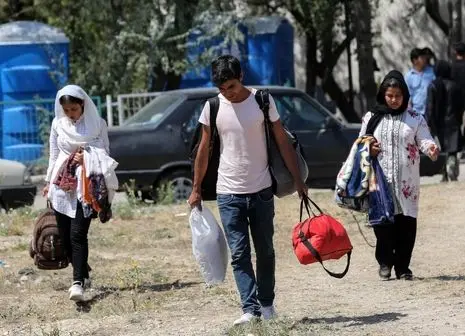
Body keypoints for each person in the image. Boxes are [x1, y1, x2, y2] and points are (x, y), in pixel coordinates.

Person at [188, 55, 307, 325]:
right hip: (228, 192)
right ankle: (249, 309)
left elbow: (281, 140)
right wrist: (196, 188)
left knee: (265, 250)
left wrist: (298, 181)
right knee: (240, 253)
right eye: (221, 88)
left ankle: (266, 305)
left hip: (262, 190)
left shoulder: (262, 101)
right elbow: (204, 150)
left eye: (230, 86)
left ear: (241, 77)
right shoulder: (213, 107)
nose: (226, 93)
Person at [359, 70, 439, 281]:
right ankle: (385, 262)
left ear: (405, 96)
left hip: (407, 183)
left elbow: (424, 139)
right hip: (379, 181)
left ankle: (403, 267)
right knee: (382, 224)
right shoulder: (371, 117)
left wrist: (431, 148)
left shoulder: (415, 118)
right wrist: (369, 149)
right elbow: (361, 143)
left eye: (398, 96)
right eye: (390, 95)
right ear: (383, 95)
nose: (394, 100)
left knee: (406, 225)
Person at [43, 85, 111, 302]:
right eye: (67, 110)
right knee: (64, 236)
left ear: (82, 105)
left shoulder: (97, 125)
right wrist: (48, 182)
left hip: (86, 187)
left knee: (77, 235)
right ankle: (83, 270)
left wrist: (87, 157)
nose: (70, 114)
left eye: (74, 109)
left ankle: (77, 283)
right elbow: (54, 155)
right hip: (62, 188)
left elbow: (105, 154)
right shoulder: (57, 124)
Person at [426, 60, 464, 182]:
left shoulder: (433, 85)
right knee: (452, 150)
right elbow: (461, 106)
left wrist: (429, 124)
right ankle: (451, 167)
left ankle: (444, 172)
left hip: (439, 124)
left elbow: (430, 107)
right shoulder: (455, 86)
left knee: (441, 150)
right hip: (453, 123)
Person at [405, 48, 436, 117]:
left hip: (431, 112)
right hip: (416, 112)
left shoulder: (432, 72)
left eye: (424, 57)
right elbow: (407, 97)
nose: (425, 60)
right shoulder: (409, 76)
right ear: (415, 60)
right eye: (422, 58)